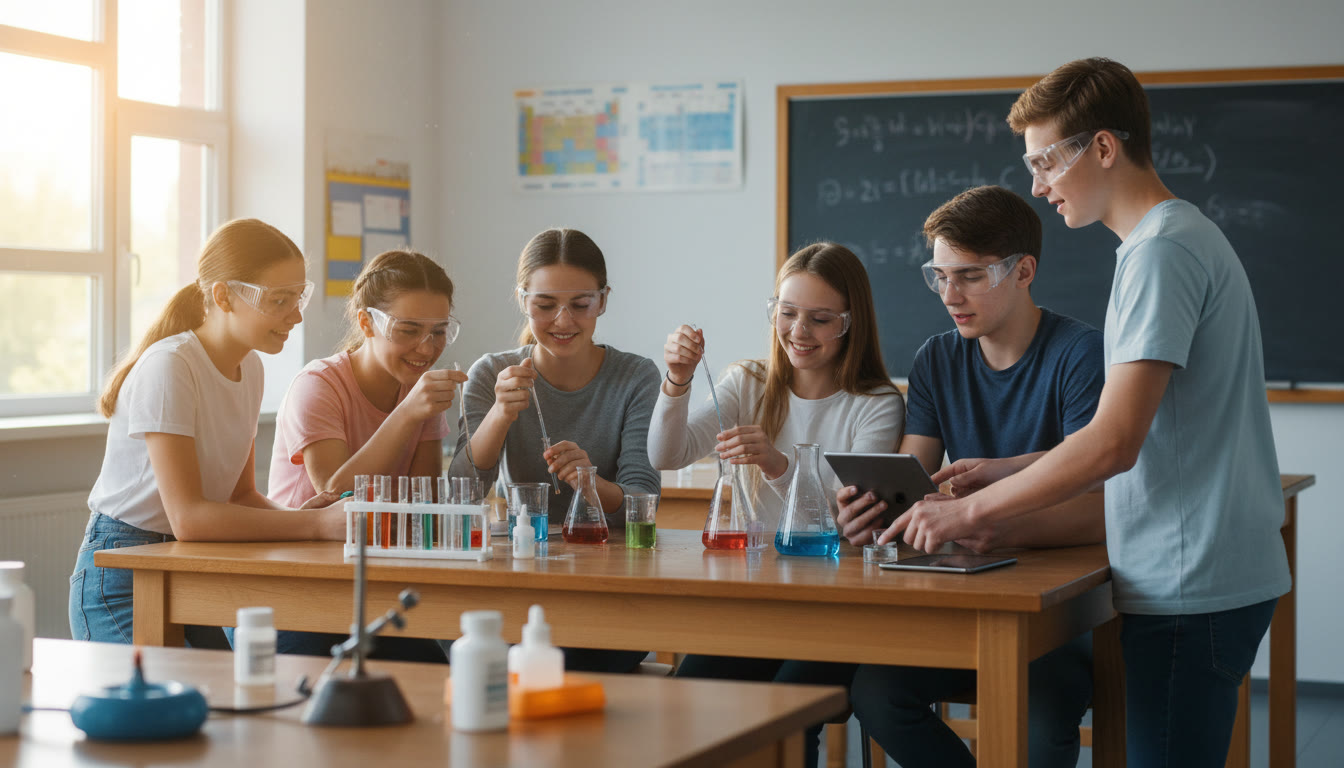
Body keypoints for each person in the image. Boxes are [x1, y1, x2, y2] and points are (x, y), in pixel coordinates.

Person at [881, 58, 1290, 766]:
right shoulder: (1166, 241)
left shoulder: (1160, 253)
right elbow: (1156, 430)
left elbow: (1113, 444)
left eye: (1047, 161)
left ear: (1103, 147)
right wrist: (1008, 467)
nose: (1038, 185)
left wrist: (970, 512)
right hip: (1200, 573)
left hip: (1192, 581)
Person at [837, 185, 1104, 768]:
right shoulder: (937, 357)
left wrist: (995, 525)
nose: (949, 295)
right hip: (966, 599)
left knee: (1035, 730)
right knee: (876, 695)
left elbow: (1104, 507)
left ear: (1023, 270)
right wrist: (874, 513)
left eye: (970, 276)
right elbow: (915, 477)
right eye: (939, 275)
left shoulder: (1081, 355)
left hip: (1062, 612)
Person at [650, 242, 904, 767]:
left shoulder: (875, 404)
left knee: (788, 711)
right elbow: (666, 453)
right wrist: (676, 379)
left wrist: (779, 466)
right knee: (690, 692)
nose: (798, 332)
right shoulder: (750, 383)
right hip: (758, 605)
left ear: (850, 323)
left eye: (820, 319)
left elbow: (847, 520)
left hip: (841, 612)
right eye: (786, 313)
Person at [70, 219, 345, 646]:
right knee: (174, 706)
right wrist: (315, 526)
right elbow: (190, 518)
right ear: (223, 296)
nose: (295, 315)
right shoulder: (171, 366)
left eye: (298, 297)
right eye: (279, 300)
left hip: (189, 564)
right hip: (124, 568)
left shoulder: (250, 367)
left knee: (221, 702)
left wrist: (311, 518)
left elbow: (241, 497)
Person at [447, 227, 659, 673]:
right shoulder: (492, 372)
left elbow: (642, 501)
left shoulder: (636, 377)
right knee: (489, 661)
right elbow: (462, 492)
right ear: (523, 300)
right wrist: (500, 415)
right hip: (518, 580)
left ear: (602, 300)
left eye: (580, 305)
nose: (563, 321)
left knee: (580, 664)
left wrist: (590, 483)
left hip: (609, 591)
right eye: (545, 306)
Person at [264, 248, 467, 662]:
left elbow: (422, 498)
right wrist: (409, 412)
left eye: (439, 331)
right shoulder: (318, 385)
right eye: (408, 329)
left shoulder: (418, 391)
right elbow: (335, 493)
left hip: (373, 585)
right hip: (298, 585)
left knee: (433, 679)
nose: (426, 349)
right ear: (365, 322)